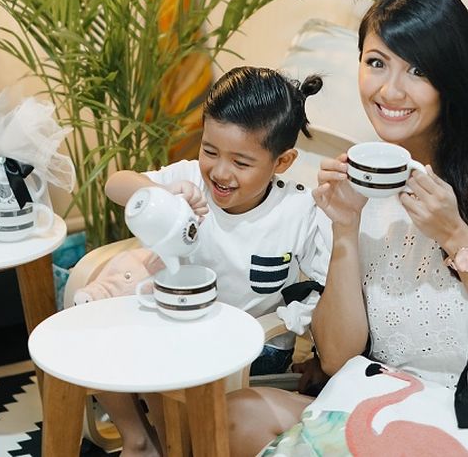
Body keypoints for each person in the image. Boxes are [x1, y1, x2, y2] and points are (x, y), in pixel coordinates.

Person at [227, 0, 468, 456]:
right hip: (392, 404)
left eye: (417, 69)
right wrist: (344, 229)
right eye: (376, 63)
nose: (390, 90)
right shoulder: (357, 182)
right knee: (236, 417)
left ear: (451, 78)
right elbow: (337, 358)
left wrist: (457, 237)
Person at [98, 65, 332, 456]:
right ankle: (138, 438)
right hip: (185, 325)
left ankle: (169, 440)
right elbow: (116, 183)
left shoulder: (299, 210)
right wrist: (161, 195)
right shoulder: (190, 180)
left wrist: (320, 360)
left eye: (241, 163)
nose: (219, 172)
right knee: (105, 312)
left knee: (163, 359)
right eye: (209, 151)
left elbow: (328, 287)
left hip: (254, 350)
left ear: (282, 161)